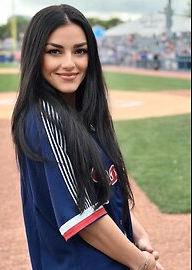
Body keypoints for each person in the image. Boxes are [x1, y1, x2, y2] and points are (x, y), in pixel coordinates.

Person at [11, 4, 164, 270]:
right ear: (36, 55)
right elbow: (84, 217)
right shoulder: (45, 119)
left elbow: (101, 194)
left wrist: (136, 233)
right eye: (54, 51)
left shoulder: (84, 115)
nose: (69, 63)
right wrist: (143, 264)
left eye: (80, 51)